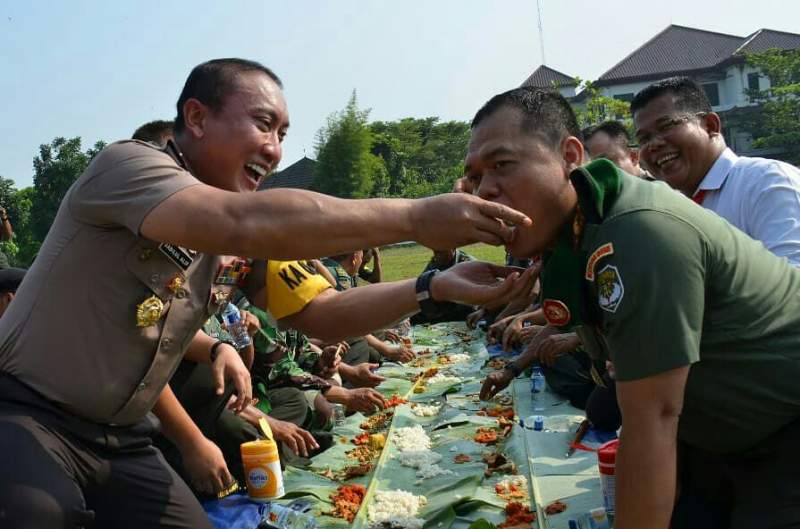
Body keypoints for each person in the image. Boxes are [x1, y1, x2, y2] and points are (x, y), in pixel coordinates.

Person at [0, 57, 531, 529]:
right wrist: (416, 216)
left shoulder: (240, 229)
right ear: (197, 118)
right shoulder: (128, 167)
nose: (274, 150)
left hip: (120, 434)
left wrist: (430, 285)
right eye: (262, 123)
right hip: (30, 410)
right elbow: (241, 223)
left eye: (283, 132)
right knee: (37, 514)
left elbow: (323, 313)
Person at [474, 86, 800, 528]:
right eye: (476, 177)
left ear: (570, 155)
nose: (485, 191)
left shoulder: (639, 230)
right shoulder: (570, 238)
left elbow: (653, 417)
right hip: (713, 433)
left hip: (781, 430)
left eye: (502, 165)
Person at [632, 76, 800, 265]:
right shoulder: (669, 211)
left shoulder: (766, 182)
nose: (654, 144)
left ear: (710, 125)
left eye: (666, 126)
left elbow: (793, 284)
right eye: (644, 139)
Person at [583, 120, 651, 179]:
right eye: (590, 170)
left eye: (605, 164)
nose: (598, 175)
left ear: (633, 157)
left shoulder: (658, 189)